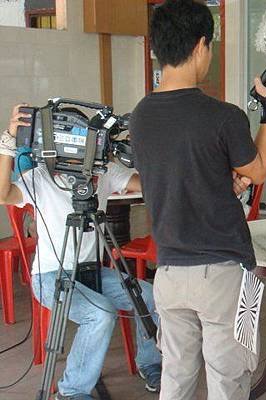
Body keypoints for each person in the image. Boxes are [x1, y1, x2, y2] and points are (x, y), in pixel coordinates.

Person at [128, 1, 266, 399]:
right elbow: (260, 170)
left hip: (168, 273)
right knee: (230, 378)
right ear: (201, 45)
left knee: (176, 374)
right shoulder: (224, 115)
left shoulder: (140, 115)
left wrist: (221, 182)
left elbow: (178, 175)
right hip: (229, 272)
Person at [0, 104, 163, 400]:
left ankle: (150, 363)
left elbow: (153, 186)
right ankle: (72, 390)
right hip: (50, 276)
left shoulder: (104, 170)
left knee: (152, 296)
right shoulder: (41, 176)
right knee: (100, 314)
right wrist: (9, 139)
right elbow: (4, 195)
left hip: (92, 273)